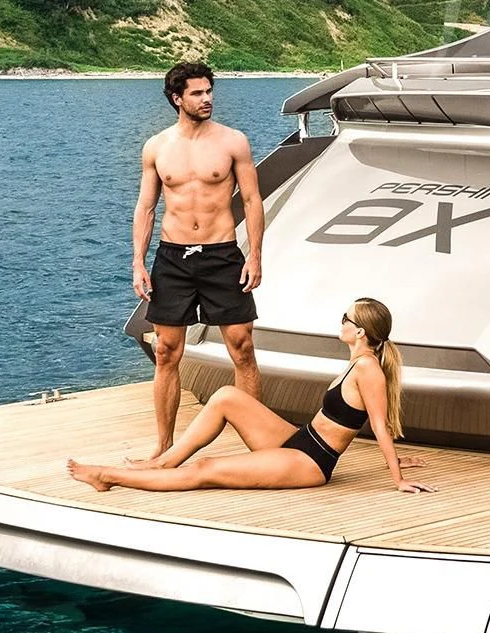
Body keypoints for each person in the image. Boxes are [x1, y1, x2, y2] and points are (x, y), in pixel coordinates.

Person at [68, 298, 432, 494]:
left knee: (207, 470)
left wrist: (396, 475)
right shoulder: (358, 362)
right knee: (227, 395)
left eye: (345, 318)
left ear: (360, 331)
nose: (340, 322)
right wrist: (399, 460)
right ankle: (162, 462)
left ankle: (108, 476)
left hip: (312, 462)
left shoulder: (368, 368)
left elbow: (379, 424)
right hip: (300, 439)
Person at [136, 60, 263, 458]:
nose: (207, 99)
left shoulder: (232, 142)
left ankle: (256, 444)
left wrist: (254, 255)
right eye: (197, 93)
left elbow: (251, 199)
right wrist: (138, 262)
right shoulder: (157, 147)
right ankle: (163, 446)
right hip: (172, 258)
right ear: (178, 98)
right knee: (165, 351)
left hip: (221, 254)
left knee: (242, 347)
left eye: (209, 91)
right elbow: (146, 208)